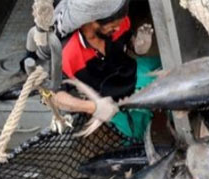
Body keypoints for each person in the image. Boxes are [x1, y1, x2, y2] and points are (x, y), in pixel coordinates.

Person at [50, 0, 161, 139]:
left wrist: (138, 46)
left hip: (132, 72)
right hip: (110, 99)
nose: (117, 29)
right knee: (140, 132)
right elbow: (55, 97)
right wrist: (93, 107)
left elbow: (127, 41)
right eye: (113, 26)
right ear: (92, 22)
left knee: (175, 71)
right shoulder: (67, 54)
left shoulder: (120, 24)